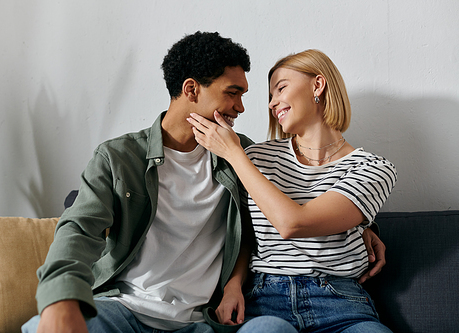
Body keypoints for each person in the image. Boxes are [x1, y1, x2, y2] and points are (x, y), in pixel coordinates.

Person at [23, 31, 386, 333]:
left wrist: (361, 226)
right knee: (45, 325)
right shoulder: (119, 158)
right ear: (192, 89)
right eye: (233, 93)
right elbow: (78, 230)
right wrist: (61, 297)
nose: (244, 108)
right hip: (123, 308)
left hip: (199, 321)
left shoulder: (239, 156)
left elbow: (279, 214)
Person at [187, 49, 397, 332]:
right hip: (265, 299)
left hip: (340, 303)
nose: (273, 103)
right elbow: (246, 235)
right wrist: (232, 286)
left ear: (318, 85)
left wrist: (233, 153)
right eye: (270, 96)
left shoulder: (373, 168)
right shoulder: (256, 157)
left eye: (281, 88)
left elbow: (293, 224)